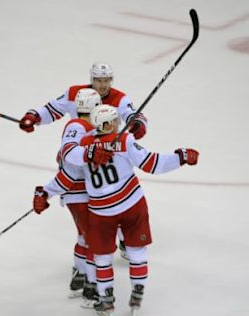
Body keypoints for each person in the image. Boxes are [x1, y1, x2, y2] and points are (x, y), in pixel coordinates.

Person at [33, 105, 199, 315]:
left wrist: (45, 193)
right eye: (115, 121)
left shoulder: (82, 147)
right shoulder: (124, 141)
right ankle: (137, 295)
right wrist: (180, 157)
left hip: (102, 212)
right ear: (109, 123)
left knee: (102, 257)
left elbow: (67, 175)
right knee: (137, 251)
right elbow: (152, 164)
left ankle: (106, 300)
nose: (119, 124)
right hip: (132, 204)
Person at [33, 88, 109, 302]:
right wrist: (46, 192)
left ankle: (79, 275)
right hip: (78, 194)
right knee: (94, 240)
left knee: (86, 236)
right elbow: (69, 159)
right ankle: (91, 289)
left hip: (84, 192)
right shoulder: (78, 126)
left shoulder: (90, 127)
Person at [19, 62, 148, 141]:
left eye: (106, 80)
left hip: (104, 153)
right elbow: (51, 110)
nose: (103, 85)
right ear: (92, 79)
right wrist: (34, 116)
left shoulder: (119, 98)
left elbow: (133, 115)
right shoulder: (74, 93)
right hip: (76, 149)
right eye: (99, 80)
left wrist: (138, 124)